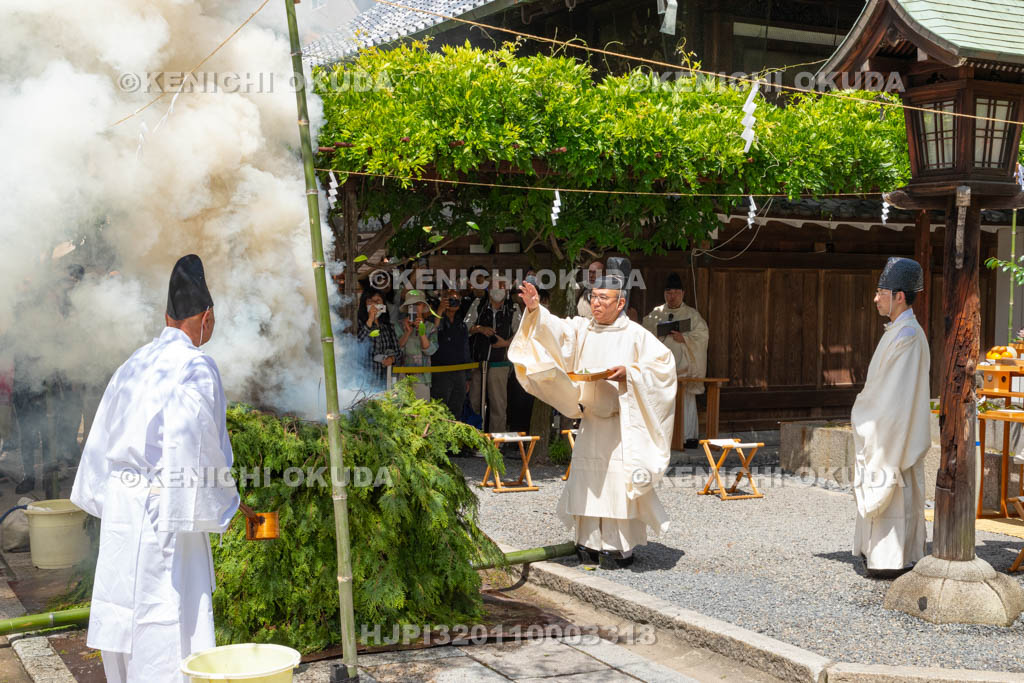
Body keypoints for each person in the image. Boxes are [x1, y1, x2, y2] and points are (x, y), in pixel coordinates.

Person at [70, 254, 240, 682]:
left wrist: (111, 498)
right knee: (167, 616)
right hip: (166, 510)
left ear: (167, 318)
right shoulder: (195, 366)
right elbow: (196, 446)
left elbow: (100, 440)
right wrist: (224, 503)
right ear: (206, 318)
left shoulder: (134, 362)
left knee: (124, 614)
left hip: (122, 510)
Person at [509, 257, 676, 568]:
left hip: (619, 427)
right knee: (587, 483)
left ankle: (618, 547)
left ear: (620, 302)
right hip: (590, 422)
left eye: (604, 299)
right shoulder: (583, 329)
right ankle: (588, 542)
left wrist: (630, 373)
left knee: (616, 485)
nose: (596, 304)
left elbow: (663, 368)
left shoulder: (636, 334)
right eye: (594, 297)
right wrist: (534, 309)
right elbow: (556, 330)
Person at [852, 257, 930, 578]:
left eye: (881, 293)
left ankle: (893, 558)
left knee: (896, 493)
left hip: (894, 432)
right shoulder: (898, 331)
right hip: (886, 425)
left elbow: (896, 398)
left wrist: (867, 413)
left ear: (899, 296)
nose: (875, 299)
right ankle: (880, 554)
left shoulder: (907, 335)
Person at [643, 273, 708, 449]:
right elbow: (644, 335)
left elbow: (702, 336)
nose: (672, 297)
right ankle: (663, 438)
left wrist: (684, 338)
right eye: (669, 293)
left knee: (685, 402)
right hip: (662, 371)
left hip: (683, 370)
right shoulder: (656, 314)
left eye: (676, 293)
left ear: (683, 294)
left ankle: (688, 437)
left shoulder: (692, 315)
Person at [466, 276, 520, 434]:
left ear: (507, 289)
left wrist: (505, 343)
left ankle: (497, 440)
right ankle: (474, 438)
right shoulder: (478, 304)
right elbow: (466, 327)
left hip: (500, 363)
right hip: (477, 363)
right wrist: (480, 329)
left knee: (498, 404)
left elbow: (521, 334)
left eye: (502, 286)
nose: (499, 289)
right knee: (474, 402)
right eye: (495, 285)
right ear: (488, 289)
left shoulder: (513, 308)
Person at [431, 287, 470, 418]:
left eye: (457, 300)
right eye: (451, 299)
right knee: (439, 409)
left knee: (456, 408)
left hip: (459, 372)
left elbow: (466, 350)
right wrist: (440, 310)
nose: (454, 302)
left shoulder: (462, 324)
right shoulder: (435, 318)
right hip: (440, 371)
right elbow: (432, 333)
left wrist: (467, 377)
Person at [395, 289, 437, 401]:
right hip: (403, 377)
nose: (415, 307)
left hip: (423, 378)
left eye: (418, 304)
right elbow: (397, 350)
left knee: (422, 409)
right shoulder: (399, 325)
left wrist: (421, 331)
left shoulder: (430, 327)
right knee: (402, 409)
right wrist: (407, 332)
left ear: (423, 306)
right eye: (411, 305)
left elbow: (431, 350)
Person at [356, 289, 400, 387]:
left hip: (384, 381)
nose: (374, 305)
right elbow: (357, 344)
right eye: (370, 301)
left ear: (383, 305)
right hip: (364, 382)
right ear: (364, 304)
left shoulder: (388, 327)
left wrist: (392, 359)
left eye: (377, 301)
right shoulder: (358, 324)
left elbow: (398, 353)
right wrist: (370, 320)